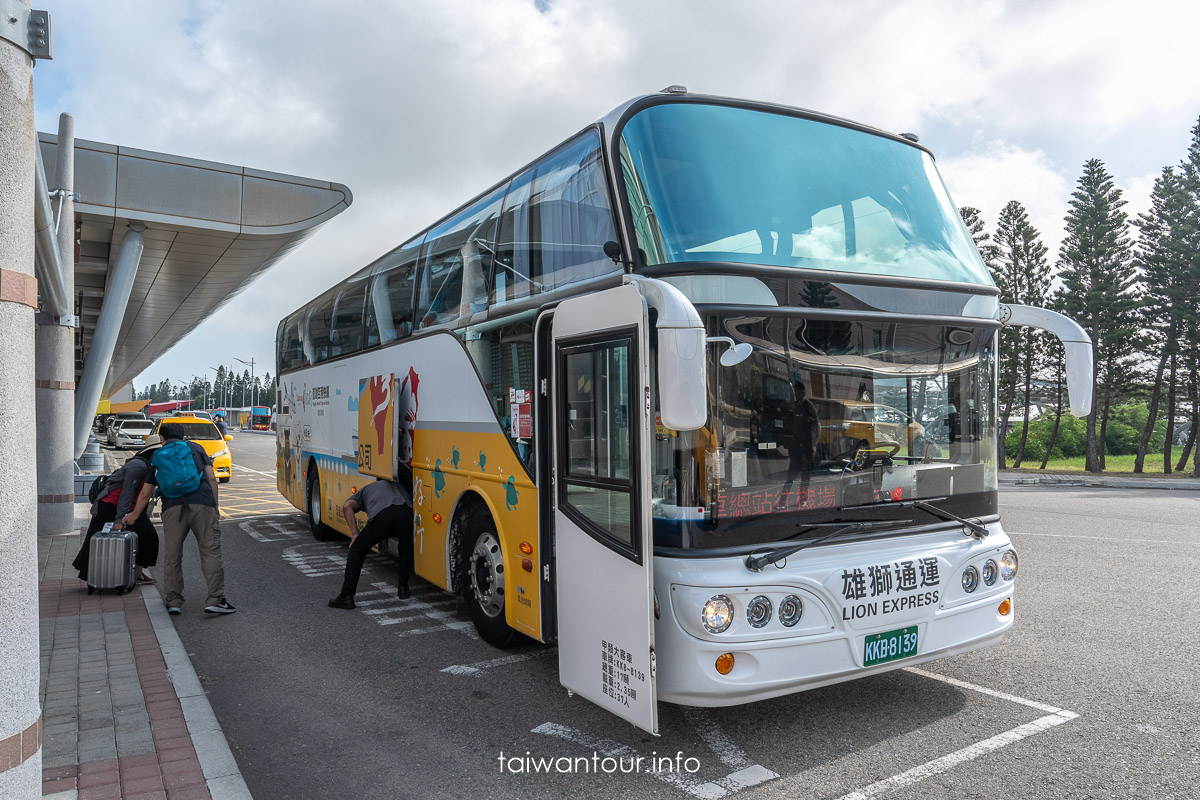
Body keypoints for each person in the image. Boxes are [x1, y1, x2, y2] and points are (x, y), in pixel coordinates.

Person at [123, 423, 235, 616]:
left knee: (173, 555)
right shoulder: (196, 448)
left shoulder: (159, 455)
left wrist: (133, 515)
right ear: (183, 436)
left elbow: (145, 493)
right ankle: (215, 600)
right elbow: (212, 479)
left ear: (162, 439)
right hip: (202, 504)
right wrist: (215, 506)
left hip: (172, 508)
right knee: (210, 551)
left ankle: (173, 601)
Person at [73, 437, 162, 585]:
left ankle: (137, 573)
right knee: (103, 541)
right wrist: (119, 518)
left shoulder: (148, 467)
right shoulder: (138, 467)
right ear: (153, 452)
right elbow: (127, 492)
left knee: (148, 537)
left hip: (128, 508)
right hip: (111, 506)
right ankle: (99, 576)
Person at [328, 477, 414, 609]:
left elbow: (347, 506)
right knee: (405, 547)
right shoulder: (397, 483)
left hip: (383, 516)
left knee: (357, 549)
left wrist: (355, 534)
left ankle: (346, 596)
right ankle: (403, 589)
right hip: (407, 513)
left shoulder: (363, 492)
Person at [780, 380, 821, 507]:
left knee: (805, 476)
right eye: (794, 391)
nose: (795, 394)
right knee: (791, 475)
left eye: (797, 391)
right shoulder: (795, 405)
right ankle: (782, 501)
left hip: (807, 447)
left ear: (802, 392)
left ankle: (803, 500)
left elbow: (818, 425)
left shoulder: (808, 406)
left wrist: (814, 445)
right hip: (796, 446)